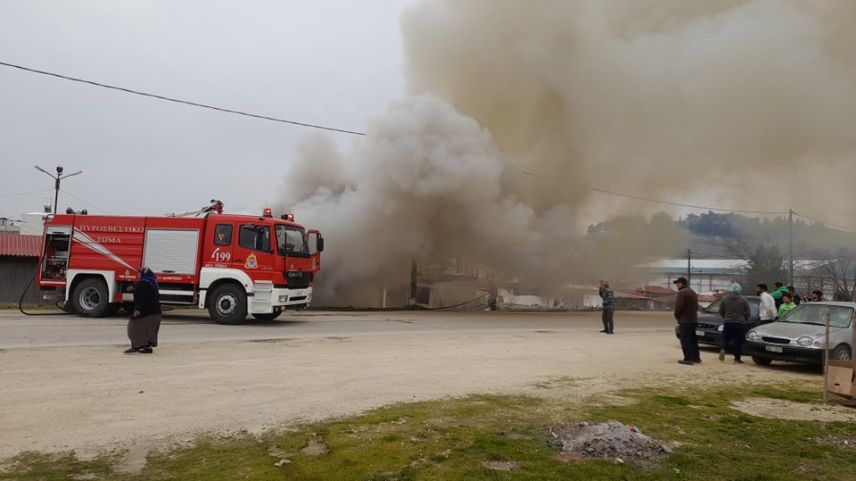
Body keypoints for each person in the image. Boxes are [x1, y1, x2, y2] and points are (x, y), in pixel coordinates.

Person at [126, 267, 161, 354]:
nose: (138, 274)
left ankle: (137, 346)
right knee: (149, 330)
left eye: (140, 273)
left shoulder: (143, 283)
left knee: (133, 327)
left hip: (146, 312)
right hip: (155, 313)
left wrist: (137, 309)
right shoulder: (152, 283)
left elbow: (143, 297)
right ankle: (147, 347)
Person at [718, 283, 750, 363]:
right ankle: (737, 358)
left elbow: (720, 311)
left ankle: (723, 348)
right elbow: (748, 312)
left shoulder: (724, 299)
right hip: (739, 323)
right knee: (738, 341)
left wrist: (725, 317)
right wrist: (745, 319)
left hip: (728, 322)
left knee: (725, 338)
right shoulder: (743, 300)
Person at [673, 277, 700, 365]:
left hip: (685, 320)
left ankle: (688, 358)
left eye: (677, 283)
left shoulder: (682, 292)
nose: (676, 285)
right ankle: (696, 357)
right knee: (693, 339)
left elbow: (679, 307)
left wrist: (676, 315)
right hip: (693, 319)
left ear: (681, 284)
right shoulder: (692, 292)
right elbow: (696, 306)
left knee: (685, 340)